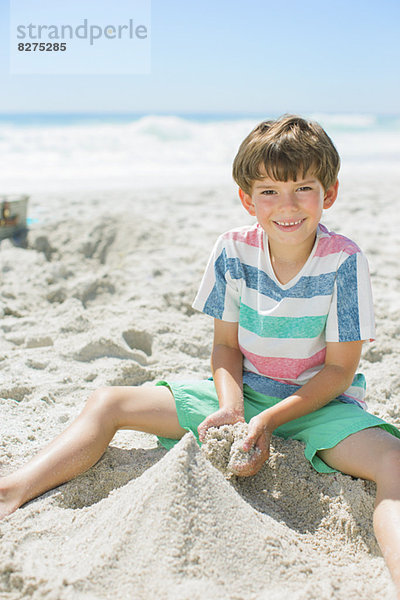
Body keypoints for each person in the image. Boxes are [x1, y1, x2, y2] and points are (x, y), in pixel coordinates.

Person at [1, 114, 400, 594]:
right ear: (247, 198)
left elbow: (338, 372)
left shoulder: (344, 260)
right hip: (244, 393)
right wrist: (232, 407)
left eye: (303, 189)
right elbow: (226, 347)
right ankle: (12, 491)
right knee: (108, 402)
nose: (287, 205)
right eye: (269, 192)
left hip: (320, 408)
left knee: (393, 463)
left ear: (328, 194)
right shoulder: (232, 250)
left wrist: (270, 421)